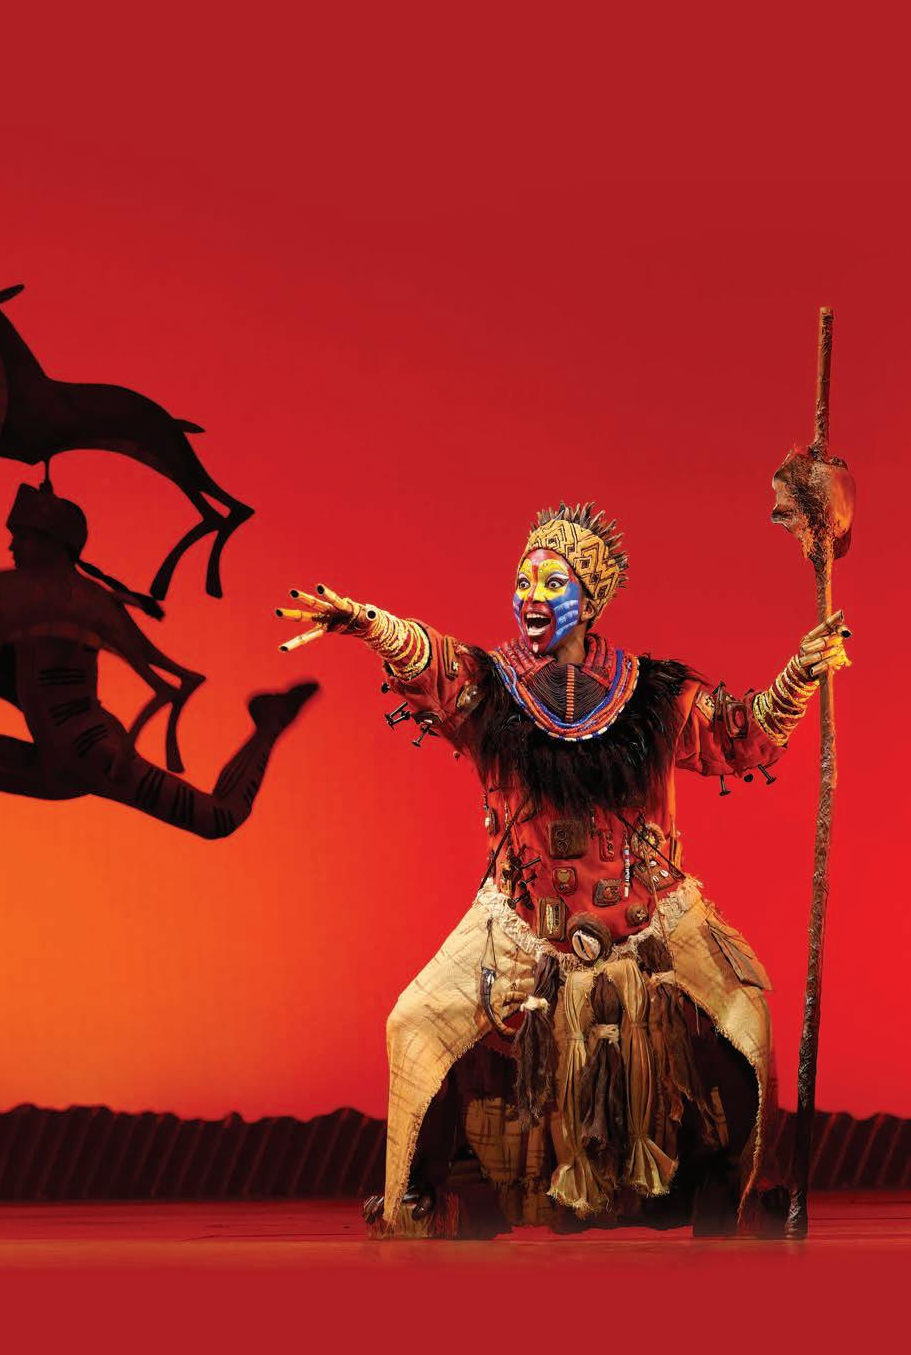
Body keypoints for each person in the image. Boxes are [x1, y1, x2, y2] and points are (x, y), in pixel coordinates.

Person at [276, 501, 850, 1237]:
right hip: (520, 926)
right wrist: (366, 622)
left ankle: (750, 1192)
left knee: (748, 1019)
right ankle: (417, 1198)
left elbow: (740, 736)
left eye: (552, 582)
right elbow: (431, 659)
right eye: (523, 581)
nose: (531, 596)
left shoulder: (654, 693)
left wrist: (800, 674)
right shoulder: (490, 687)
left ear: (591, 596)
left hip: (653, 918)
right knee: (413, 1024)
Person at [0, 483, 316, 911]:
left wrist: (127, 745)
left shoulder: (72, 599)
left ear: (51, 543)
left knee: (218, 817)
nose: (11, 545)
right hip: (51, 759)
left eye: (22, 536)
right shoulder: (29, 597)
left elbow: (172, 680)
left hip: (93, 755)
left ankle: (270, 723)